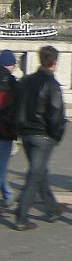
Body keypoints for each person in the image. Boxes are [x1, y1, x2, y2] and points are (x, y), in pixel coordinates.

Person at [12, 45, 67, 231]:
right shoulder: (52, 85)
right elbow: (56, 115)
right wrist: (56, 136)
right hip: (43, 136)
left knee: (39, 172)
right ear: (54, 62)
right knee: (34, 176)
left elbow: (17, 106)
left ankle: (52, 209)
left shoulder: (26, 81)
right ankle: (21, 217)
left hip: (25, 134)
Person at [0, 49, 18, 211]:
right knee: (2, 165)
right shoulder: (12, 82)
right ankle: (8, 194)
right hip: (5, 130)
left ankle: (7, 193)